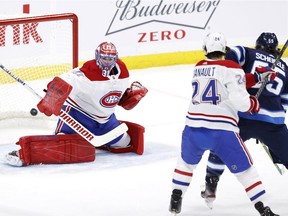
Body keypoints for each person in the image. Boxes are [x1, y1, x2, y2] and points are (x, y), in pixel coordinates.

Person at [169, 32, 279, 216]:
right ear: (225, 48)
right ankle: (264, 208)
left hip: (193, 129)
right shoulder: (232, 67)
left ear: (206, 49)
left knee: (185, 164)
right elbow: (241, 101)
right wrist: (253, 104)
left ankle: (176, 197)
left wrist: (257, 77)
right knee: (246, 172)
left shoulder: (198, 67)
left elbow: (224, 80)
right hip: (222, 131)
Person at [5, 41, 148, 166]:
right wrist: (52, 98)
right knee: (63, 147)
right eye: (104, 58)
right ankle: (22, 154)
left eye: (110, 59)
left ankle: (94, 140)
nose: (107, 62)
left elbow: (114, 95)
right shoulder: (86, 72)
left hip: (106, 121)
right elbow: (63, 80)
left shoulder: (122, 71)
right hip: (78, 117)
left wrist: (129, 96)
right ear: (97, 57)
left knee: (124, 143)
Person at [201, 32, 288, 209]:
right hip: (273, 123)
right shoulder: (285, 67)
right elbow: (286, 99)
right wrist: (272, 127)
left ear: (258, 46)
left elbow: (231, 59)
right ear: (275, 49)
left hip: (244, 115)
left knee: (220, 146)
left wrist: (239, 84)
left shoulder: (246, 52)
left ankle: (211, 183)